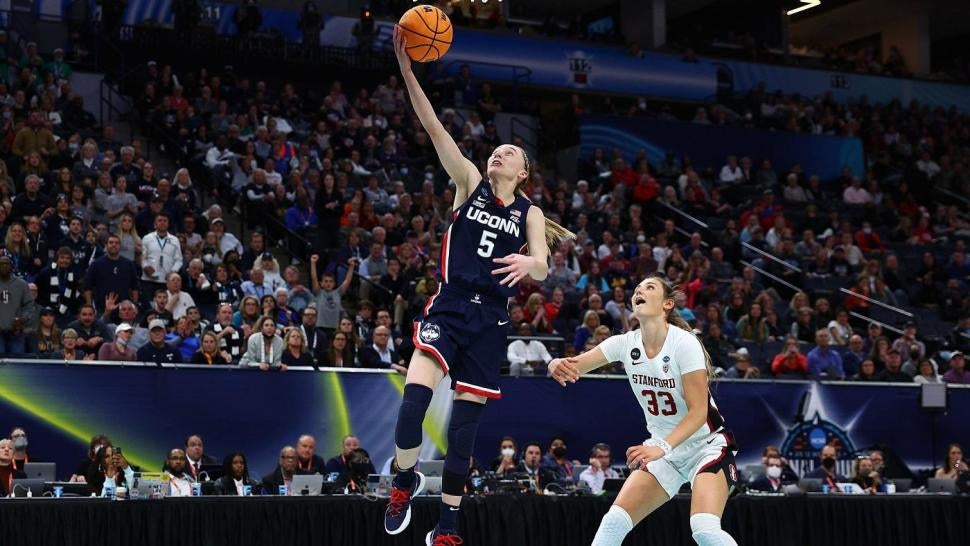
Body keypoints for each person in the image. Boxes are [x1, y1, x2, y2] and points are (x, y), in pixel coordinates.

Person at [383, 26, 572, 546]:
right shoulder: (468, 181)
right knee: (412, 408)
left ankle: (448, 526)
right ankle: (404, 480)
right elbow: (433, 127)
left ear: (523, 170)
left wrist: (529, 263)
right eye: (496, 150)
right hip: (448, 308)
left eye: (509, 152)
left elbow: (542, 266)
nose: (498, 154)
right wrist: (407, 72)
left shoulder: (530, 212)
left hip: (489, 320)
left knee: (463, 434)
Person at [548, 273, 738, 546]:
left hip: (706, 446)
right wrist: (556, 364)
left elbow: (698, 413)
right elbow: (573, 366)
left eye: (649, 287)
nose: (639, 291)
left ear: (667, 304)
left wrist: (661, 446)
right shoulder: (624, 344)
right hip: (665, 451)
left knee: (704, 529)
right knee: (613, 522)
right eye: (637, 288)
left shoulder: (684, 343)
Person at [0, 254, 35, 354]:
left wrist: (22, 319)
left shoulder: (21, 284)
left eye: (6, 264)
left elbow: (29, 305)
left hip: (16, 332)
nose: (4, 266)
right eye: (1, 264)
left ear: (11, 266)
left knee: (17, 359)